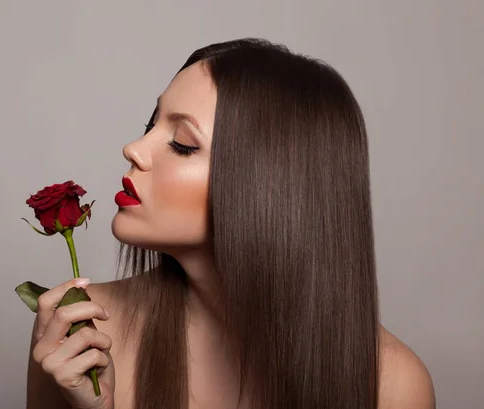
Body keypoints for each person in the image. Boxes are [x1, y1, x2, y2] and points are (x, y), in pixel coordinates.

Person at [25, 38, 435, 409]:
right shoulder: (83, 334)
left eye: (182, 144)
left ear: (271, 185)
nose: (134, 149)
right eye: (151, 124)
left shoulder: (392, 385)